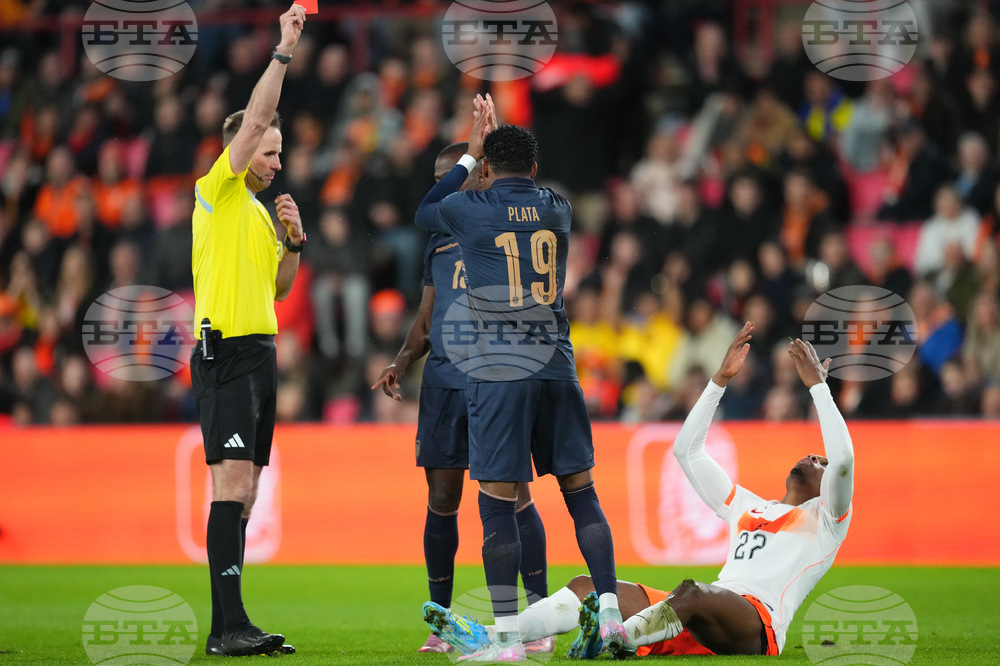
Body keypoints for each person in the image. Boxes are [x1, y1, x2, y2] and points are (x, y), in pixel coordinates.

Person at [430, 323, 854, 659]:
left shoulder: (827, 520)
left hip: (755, 626)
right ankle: (489, 636)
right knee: (587, 587)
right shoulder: (748, 506)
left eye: (821, 460)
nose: (814, 458)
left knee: (692, 591)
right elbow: (686, 451)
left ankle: (616, 639)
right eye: (813, 455)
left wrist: (818, 387)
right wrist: (719, 380)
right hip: (702, 614)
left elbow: (844, 460)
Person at [414, 95, 627, 661]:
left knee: (497, 502)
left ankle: (508, 641)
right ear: (534, 168)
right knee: (582, 494)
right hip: (557, 364)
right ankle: (610, 617)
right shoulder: (559, 207)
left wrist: (469, 158)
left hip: (499, 370)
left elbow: (426, 210)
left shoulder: (470, 209)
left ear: (487, 166)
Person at [371, 142, 553, 654]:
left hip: (496, 380)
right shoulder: (438, 243)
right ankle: (442, 622)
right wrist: (402, 359)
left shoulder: (502, 228)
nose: (443, 186)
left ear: (481, 173)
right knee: (443, 499)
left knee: (514, 496)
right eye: (437, 178)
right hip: (445, 384)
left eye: (453, 175)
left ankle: (535, 619)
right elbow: (428, 316)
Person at [189, 4, 306, 657]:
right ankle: (225, 626)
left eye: (280, 152)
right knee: (232, 483)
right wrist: (284, 51)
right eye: (268, 150)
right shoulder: (218, 189)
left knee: (249, 487)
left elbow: (279, 290)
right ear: (241, 148)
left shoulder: (259, 217)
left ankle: (234, 619)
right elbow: (257, 115)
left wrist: (295, 241)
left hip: (260, 355)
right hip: (227, 352)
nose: (276, 161)